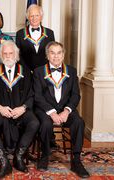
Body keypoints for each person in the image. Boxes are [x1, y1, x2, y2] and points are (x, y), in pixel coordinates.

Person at [33, 41, 90, 178]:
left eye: (59, 53)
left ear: (63, 55)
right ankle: (45, 155)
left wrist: (66, 111)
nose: (56, 56)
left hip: (66, 109)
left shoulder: (71, 71)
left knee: (79, 122)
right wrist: (52, 112)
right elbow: (38, 96)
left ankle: (76, 160)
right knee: (45, 123)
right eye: (52, 53)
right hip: (46, 109)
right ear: (47, 55)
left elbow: (76, 95)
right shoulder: (39, 72)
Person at [0, 40, 39, 179]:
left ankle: (18, 156)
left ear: (16, 54)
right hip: (1, 109)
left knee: (34, 122)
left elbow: (32, 94)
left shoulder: (26, 72)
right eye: (5, 53)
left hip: (20, 109)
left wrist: (23, 108)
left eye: (11, 53)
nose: (8, 56)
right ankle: (4, 162)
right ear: (1, 55)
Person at [16, 4, 55, 71]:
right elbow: (18, 54)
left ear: (41, 17)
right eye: (32, 16)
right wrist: (26, 70)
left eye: (37, 15)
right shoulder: (20, 34)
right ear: (28, 17)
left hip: (44, 72)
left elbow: (52, 53)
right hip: (26, 72)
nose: (34, 18)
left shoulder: (49, 33)